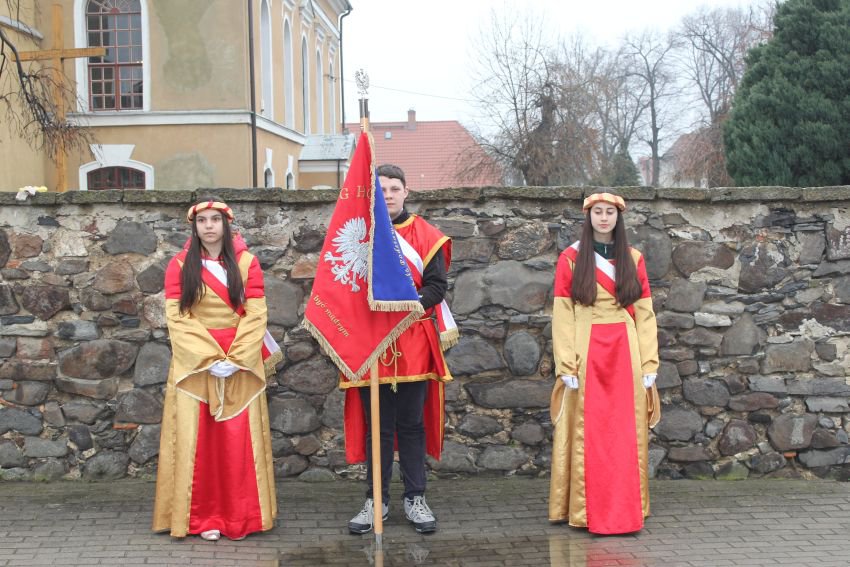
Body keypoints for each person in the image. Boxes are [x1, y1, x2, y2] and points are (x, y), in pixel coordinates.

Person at [153, 199, 282, 541]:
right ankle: (202, 518)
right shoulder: (180, 265)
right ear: (194, 227)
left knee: (238, 440)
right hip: (195, 361)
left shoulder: (248, 263)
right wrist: (208, 358)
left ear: (226, 225)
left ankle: (244, 516)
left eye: (215, 220)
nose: (209, 226)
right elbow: (178, 317)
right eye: (202, 221)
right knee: (200, 440)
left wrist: (237, 358)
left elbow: (256, 313)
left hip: (239, 359)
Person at [345, 164, 458, 535]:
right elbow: (345, 287)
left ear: (406, 192)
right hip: (371, 344)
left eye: (395, 188)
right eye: (382, 189)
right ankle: (376, 500)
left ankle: (415, 497)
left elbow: (436, 287)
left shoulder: (427, 235)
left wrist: (404, 307)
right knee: (376, 428)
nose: (389, 195)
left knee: (410, 424)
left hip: (413, 343)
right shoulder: (361, 234)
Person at [548, 191, 660, 535]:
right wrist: (566, 364)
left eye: (609, 212)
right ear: (589, 216)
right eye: (597, 212)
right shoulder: (570, 258)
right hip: (586, 350)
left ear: (618, 217)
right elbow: (563, 313)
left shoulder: (633, 258)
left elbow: (645, 313)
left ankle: (627, 506)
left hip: (625, 351)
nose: (603, 218)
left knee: (624, 431)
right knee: (589, 431)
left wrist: (649, 363)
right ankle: (585, 509)